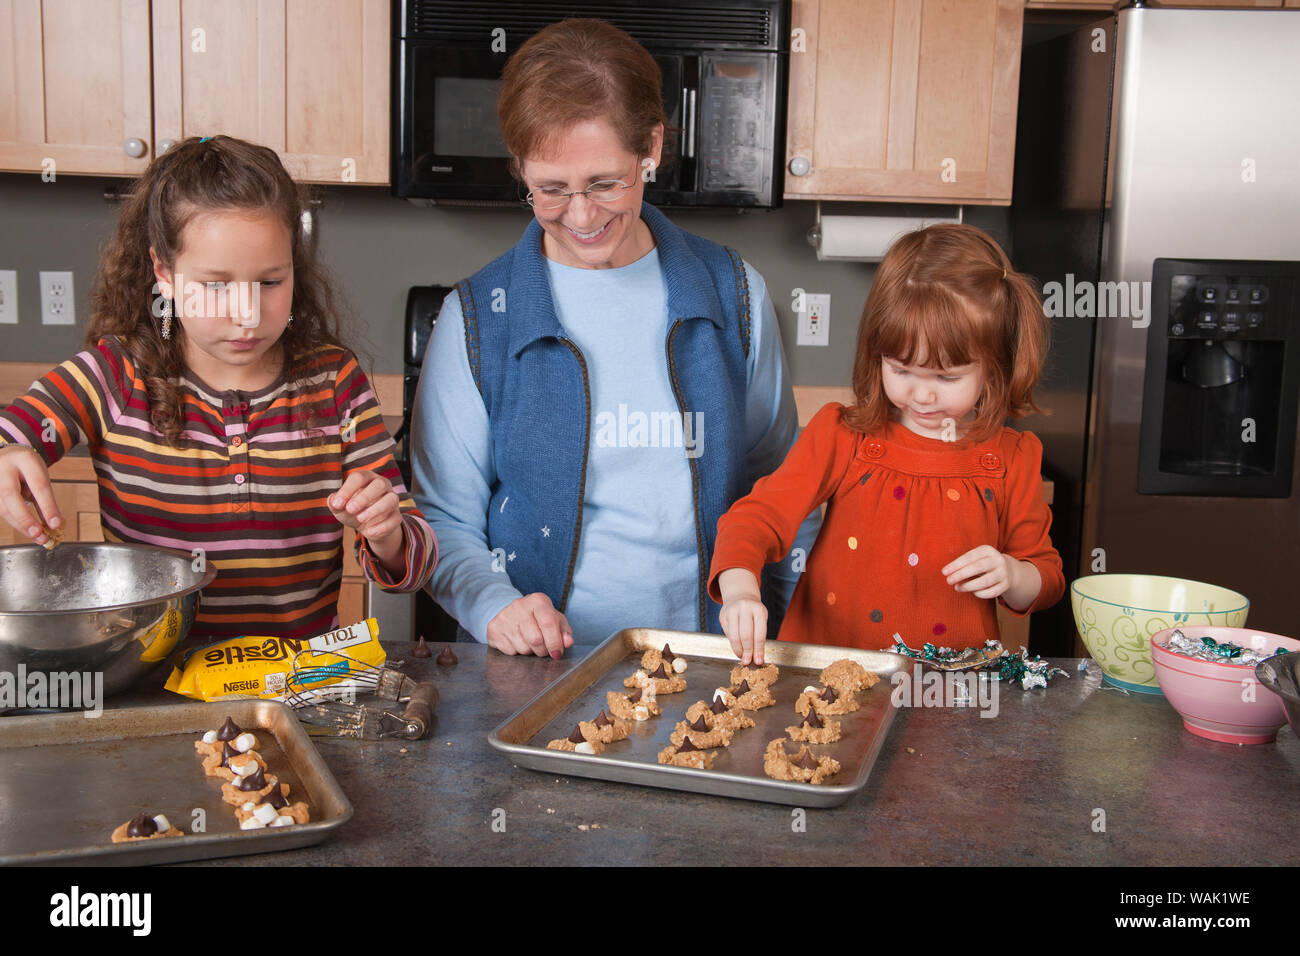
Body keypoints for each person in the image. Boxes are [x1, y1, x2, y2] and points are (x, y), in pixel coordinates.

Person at [411, 19, 818, 658]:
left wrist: (779, 619)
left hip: (714, 670)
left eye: (605, 183)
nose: (581, 215)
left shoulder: (733, 294)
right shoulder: (476, 318)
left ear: (650, 147)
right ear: (520, 169)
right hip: (537, 679)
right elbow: (441, 523)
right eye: (549, 189)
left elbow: (788, 487)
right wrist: (495, 608)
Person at [0, 136, 436, 641]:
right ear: (164, 273)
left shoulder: (335, 382)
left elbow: (415, 562)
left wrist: (387, 536)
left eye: (271, 281)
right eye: (214, 285)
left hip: (294, 687)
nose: (247, 314)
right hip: (152, 683)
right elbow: (14, 436)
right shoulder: (114, 374)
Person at [710, 223, 1066, 664]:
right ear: (875, 355)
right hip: (830, 678)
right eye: (901, 369)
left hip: (946, 693)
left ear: (994, 368)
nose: (922, 395)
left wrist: (1014, 575)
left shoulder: (1012, 458)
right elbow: (756, 518)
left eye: (947, 377)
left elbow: (1046, 577)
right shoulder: (843, 435)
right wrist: (741, 590)